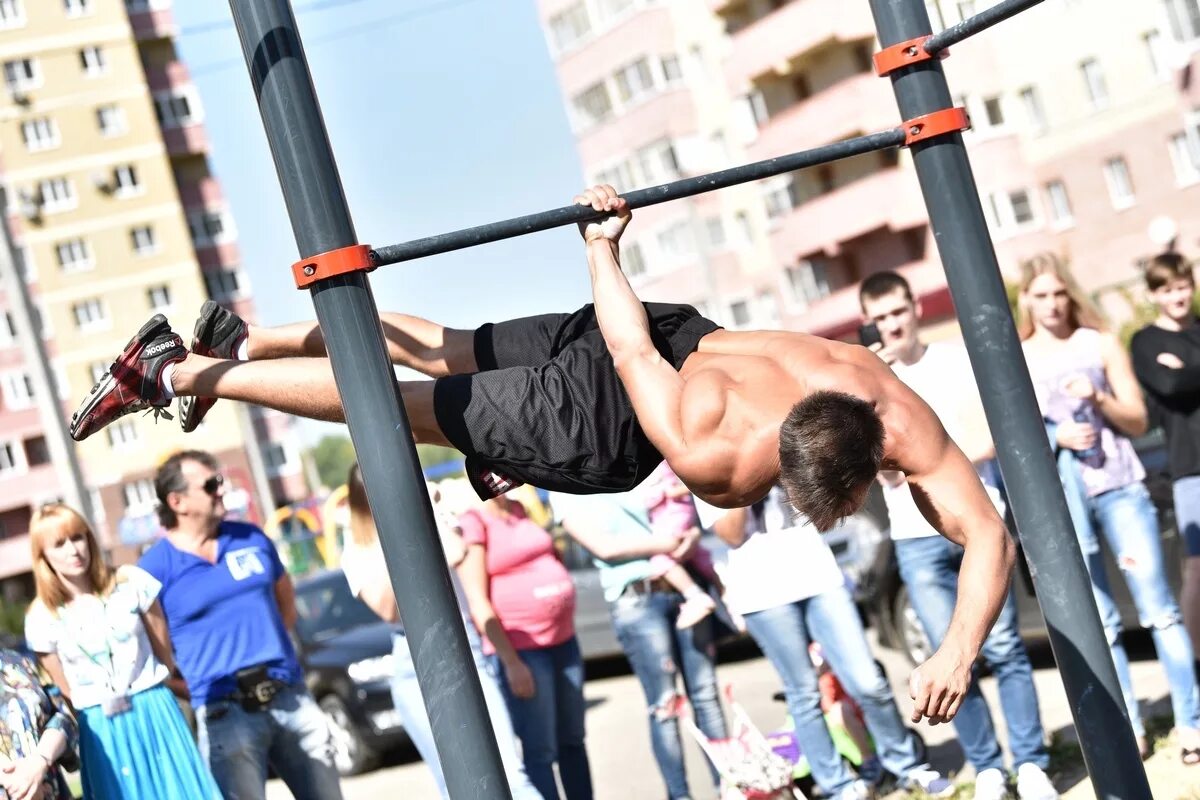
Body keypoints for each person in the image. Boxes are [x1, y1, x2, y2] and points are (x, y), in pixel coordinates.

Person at [70, 185, 1015, 725]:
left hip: (677, 331)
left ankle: (252, 345)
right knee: (406, 409)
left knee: (446, 343)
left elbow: (986, 536)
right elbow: (630, 353)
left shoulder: (864, 378)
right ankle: (189, 373)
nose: (821, 516)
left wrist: (959, 648)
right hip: (617, 403)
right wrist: (599, 247)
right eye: (816, 503)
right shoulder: (718, 455)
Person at [859, 271, 1059, 800]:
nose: (892, 325)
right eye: (881, 318)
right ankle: (988, 766)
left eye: (898, 312)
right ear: (872, 323)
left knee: (1008, 646)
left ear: (914, 309)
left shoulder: (953, 362)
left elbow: (987, 437)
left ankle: (1032, 762)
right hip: (915, 536)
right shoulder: (875, 382)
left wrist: (924, 456)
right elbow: (884, 473)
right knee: (948, 653)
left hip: (978, 525)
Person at [1017, 253, 1200, 764]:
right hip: (1065, 499)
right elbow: (1016, 435)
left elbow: (1140, 420)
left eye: (1059, 293)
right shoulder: (1021, 355)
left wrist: (1098, 398)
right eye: (1041, 295)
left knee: (1159, 612)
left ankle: (1192, 724)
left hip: (1120, 488)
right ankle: (1131, 731)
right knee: (1102, 620)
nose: (1052, 304)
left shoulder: (1099, 343)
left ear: (1070, 295)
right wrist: (1057, 435)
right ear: (1026, 301)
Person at [699, 487, 954, 800]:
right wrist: (750, 478)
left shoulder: (780, 442)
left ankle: (908, 768)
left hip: (819, 575)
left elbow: (825, 517)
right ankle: (838, 787)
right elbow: (731, 534)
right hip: (761, 592)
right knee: (804, 693)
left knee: (867, 681)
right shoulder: (712, 461)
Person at [137, 450, 344, 800]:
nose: (221, 489)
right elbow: (147, 656)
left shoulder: (252, 537)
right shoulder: (152, 569)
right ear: (177, 501)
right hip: (223, 714)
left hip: (290, 697)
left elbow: (287, 607)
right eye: (210, 484)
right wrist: (195, 688)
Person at [341, 467, 541, 800]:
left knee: (510, 775)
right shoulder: (360, 551)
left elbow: (456, 551)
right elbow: (390, 609)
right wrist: (400, 531)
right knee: (457, 787)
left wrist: (425, 512)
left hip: (468, 651)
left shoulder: (433, 517)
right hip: (415, 667)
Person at [23, 503, 219, 800]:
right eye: (59, 544)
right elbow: (67, 694)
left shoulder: (131, 581)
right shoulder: (41, 617)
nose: (73, 551)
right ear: (43, 556)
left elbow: (163, 652)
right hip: (101, 727)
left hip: (153, 709)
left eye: (78, 538)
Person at [549, 490, 727, 800]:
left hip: (683, 587)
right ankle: (680, 796)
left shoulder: (624, 454)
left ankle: (732, 788)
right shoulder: (562, 485)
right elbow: (604, 548)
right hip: (637, 600)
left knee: (706, 696)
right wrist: (667, 544)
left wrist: (692, 534)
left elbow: (674, 509)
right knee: (665, 706)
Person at [457, 494, 593, 800]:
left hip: (563, 641)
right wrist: (511, 662)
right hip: (522, 652)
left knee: (573, 740)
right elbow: (478, 601)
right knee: (540, 750)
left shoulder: (520, 510)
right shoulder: (474, 522)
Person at [1130, 252, 1200, 675]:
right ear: (1155, 294)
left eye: (1183, 286)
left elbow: (1181, 377)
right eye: (1168, 289)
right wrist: (1183, 374)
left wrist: (1187, 369)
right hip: (1190, 465)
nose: (1178, 296)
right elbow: (1168, 384)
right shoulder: (1146, 341)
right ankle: (1196, 664)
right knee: (1198, 567)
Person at [637, 461, 717, 629]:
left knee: (660, 560)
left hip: (673, 515)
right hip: (678, 514)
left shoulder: (658, 466)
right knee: (701, 558)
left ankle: (695, 596)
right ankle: (726, 597)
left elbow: (670, 491)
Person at [0, 647, 77, 800]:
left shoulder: (16, 661)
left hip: (48, 788)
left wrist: (40, 760)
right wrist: (14, 782)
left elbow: (62, 719)